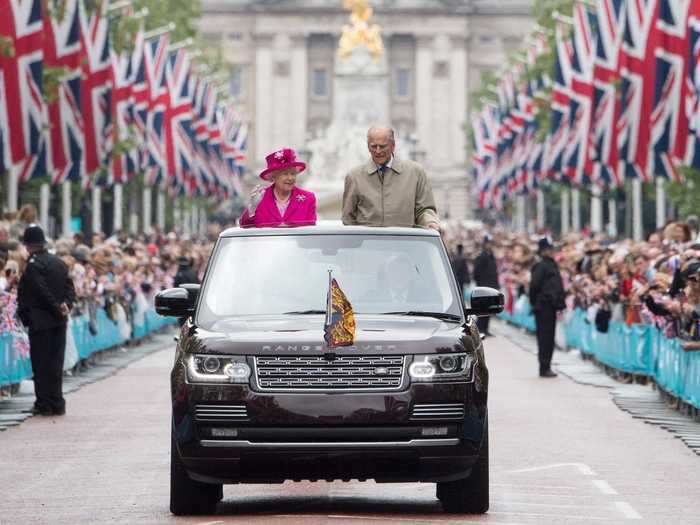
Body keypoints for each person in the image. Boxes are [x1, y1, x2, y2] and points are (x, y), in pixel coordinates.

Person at [17, 225, 75, 416]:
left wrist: (56, 307)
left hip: (41, 322)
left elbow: (41, 291)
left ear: (28, 245)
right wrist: (66, 304)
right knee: (55, 364)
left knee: (41, 365)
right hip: (60, 321)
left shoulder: (33, 265)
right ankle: (57, 401)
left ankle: (44, 403)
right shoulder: (58, 262)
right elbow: (70, 288)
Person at [342, 126, 440, 230]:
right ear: (368, 147)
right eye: (373, 146)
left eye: (382, 146)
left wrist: (430, 222)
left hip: (405, 244)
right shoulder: (354, 176)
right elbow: (348, 219)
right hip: (368, 245)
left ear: (393, 146)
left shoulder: (416, 172)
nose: (378, 151)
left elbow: (424, 209)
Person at [239, 148, 317, 228]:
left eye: (293, 174)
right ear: (273, 177)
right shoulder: (260, 197)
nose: (290, 178)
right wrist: (252, 208)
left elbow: (311, 232)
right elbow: (244, 226)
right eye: (285, 174)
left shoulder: (308, 198)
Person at [529, 237, 565, 378]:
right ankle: (544, 366)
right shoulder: (541, 266)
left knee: (549, 337)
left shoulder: (551, 265)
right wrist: (535, 302)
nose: (551, 252)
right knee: (544, 337)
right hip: (543, 306)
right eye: (549, 249)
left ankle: (547, 365)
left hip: (551, 307)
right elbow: (534, 286)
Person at [473, 234, 498, 337]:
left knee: (489, 309)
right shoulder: (481, 256)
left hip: (491, 286)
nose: (489, 245)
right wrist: (480, 285)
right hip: (484, 286)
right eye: (488, 243)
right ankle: (481, 328)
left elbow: (494, 272)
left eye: (491, 243)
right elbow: (476, 272)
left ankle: (486, 328)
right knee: (483, 309)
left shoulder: (491, 256)